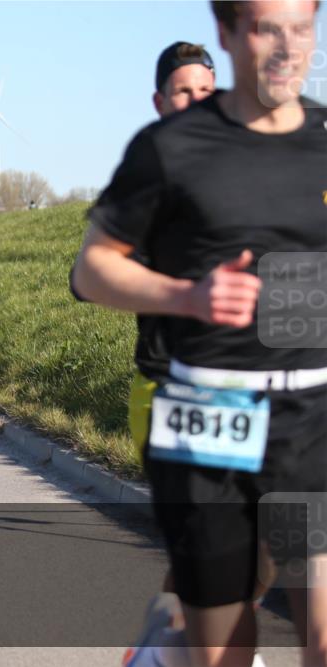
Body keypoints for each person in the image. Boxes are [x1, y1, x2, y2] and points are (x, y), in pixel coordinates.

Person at [72, 1, 326, 665]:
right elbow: (91, 271)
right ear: (228, 32)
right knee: (225, 648)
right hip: (208, 411)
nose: (287, 48)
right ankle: (165, 647)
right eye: (267, 28)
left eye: (302, 28)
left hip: (312, 416)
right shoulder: (171, 148)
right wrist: (188, 295)